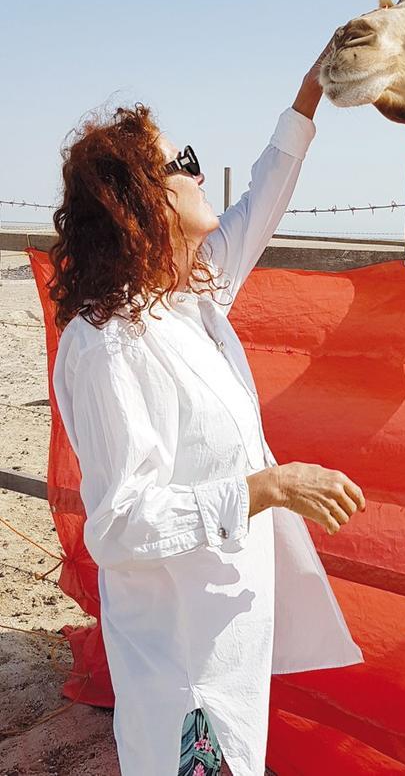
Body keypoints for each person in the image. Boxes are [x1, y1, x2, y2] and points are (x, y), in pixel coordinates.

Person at [49, 47, 366, 776]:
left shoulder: (186, 302)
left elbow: (264, 197)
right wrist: (269, 488)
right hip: (183, 662)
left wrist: (310, 92)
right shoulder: (109, 345)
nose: (198, 171)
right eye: (180, 161)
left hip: (227, 641)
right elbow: (122, 525)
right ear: (141, 200)